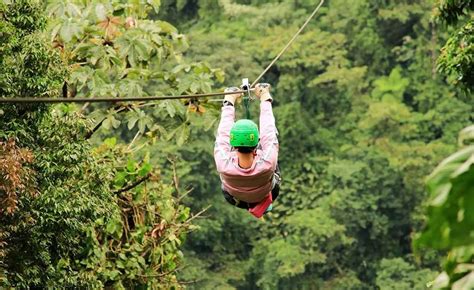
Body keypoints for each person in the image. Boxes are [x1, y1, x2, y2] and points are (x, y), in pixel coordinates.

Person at [214, 83, 281, 218]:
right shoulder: (267, 162)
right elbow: (269, 133)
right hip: (266, 191)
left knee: (269, 146)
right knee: (271, 147)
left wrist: (229, 100)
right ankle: (260, 203)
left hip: (235, 198)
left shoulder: (223, 162)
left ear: (233, 144)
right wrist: (264, 97)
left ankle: (254, 203)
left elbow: (223, 134)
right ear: (256, 143)